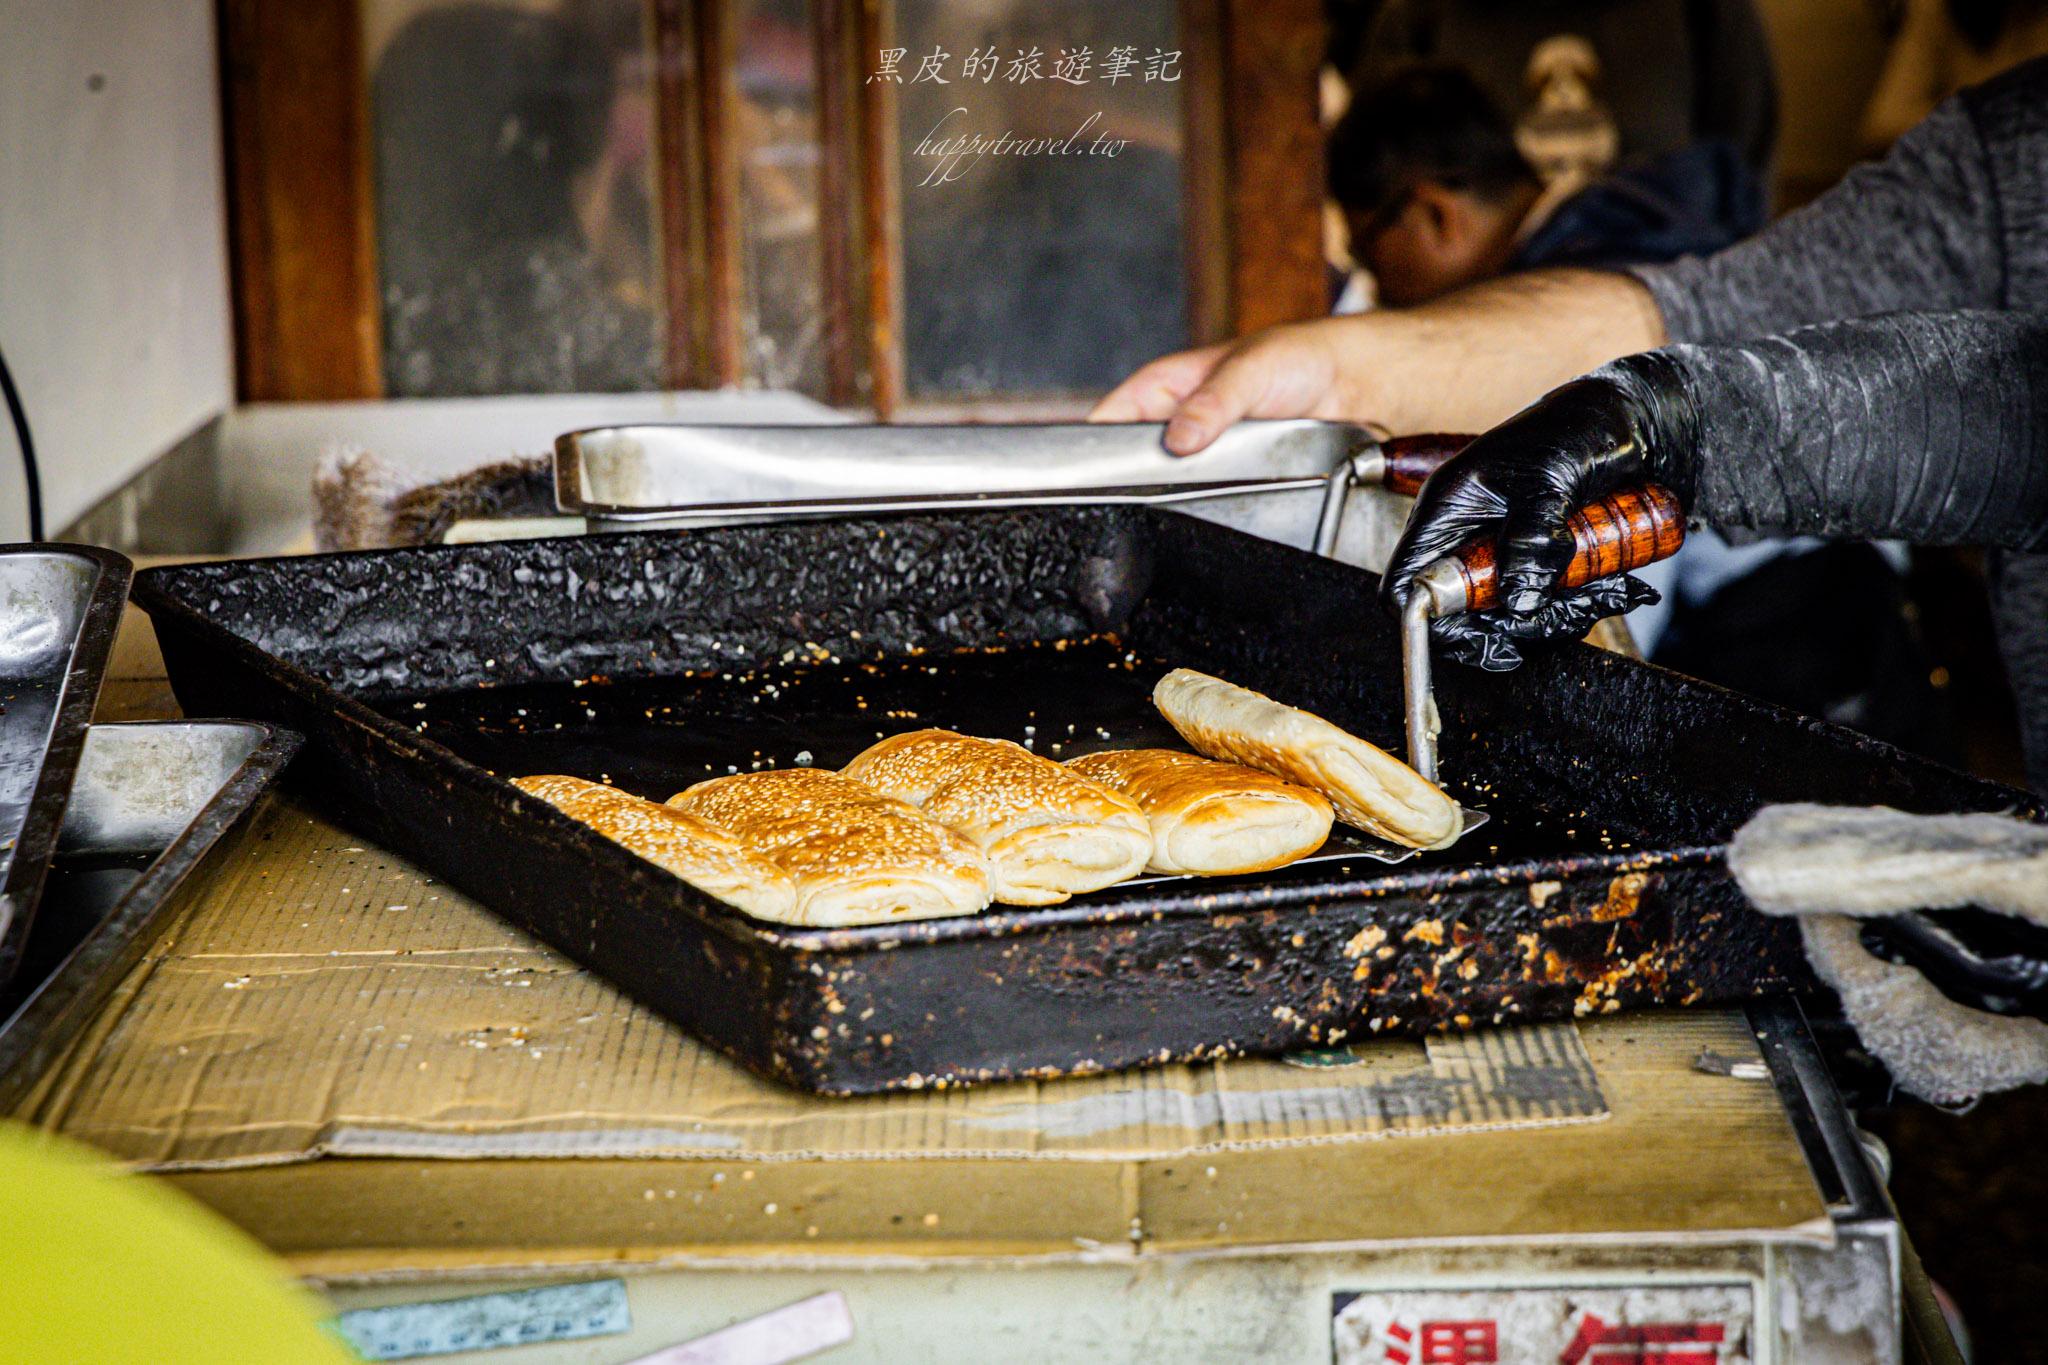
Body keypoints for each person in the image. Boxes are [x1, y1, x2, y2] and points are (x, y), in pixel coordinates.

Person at [1093, 59, 2048, 793]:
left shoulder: (1615, 229)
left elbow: (1632, 600)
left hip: (1812, 651)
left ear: (1430, 211)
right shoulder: (2006, 162)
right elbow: (1695, 324)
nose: (1381, 287)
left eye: (1378, 261)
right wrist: (1346, 364)